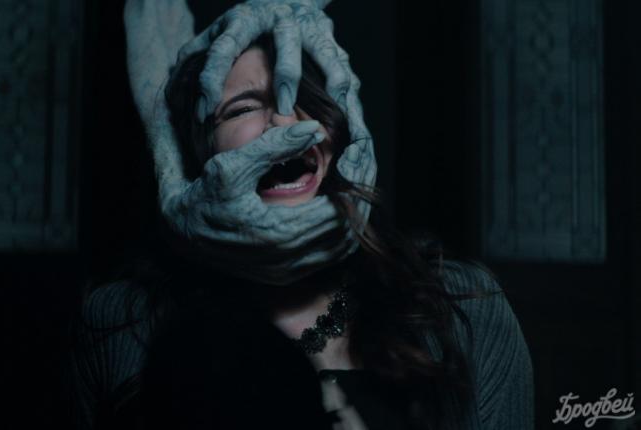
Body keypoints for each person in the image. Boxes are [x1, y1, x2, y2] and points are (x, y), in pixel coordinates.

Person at [66, 1, 535, 429]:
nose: (285, 122)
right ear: (199, 156)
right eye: (243, 108)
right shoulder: (123, 322)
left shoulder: (463, 312)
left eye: (306, 99)